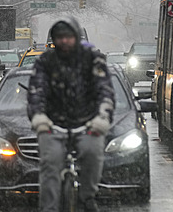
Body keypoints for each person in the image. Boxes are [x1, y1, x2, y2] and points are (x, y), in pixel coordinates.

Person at [27, 17, 115, 212]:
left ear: (76, 37)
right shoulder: (45, 62)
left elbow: (105, 90)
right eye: (59, 37)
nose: (64, 41)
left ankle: (87, 197)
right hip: (52, 124)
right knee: (50, 163)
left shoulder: (92, 58)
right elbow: (36, 91)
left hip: (87, 123)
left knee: (93, 152)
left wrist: (102, 118)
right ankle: (49, 207)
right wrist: (39, 117)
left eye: (68, 37)